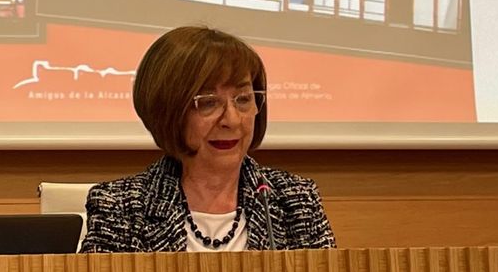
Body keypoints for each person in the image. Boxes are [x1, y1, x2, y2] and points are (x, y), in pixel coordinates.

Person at [81, 26, 335, 252]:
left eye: (243, 99)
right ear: (168, 110)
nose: (232, 120)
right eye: (208, 103)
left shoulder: (296, 200)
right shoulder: (121, 208)